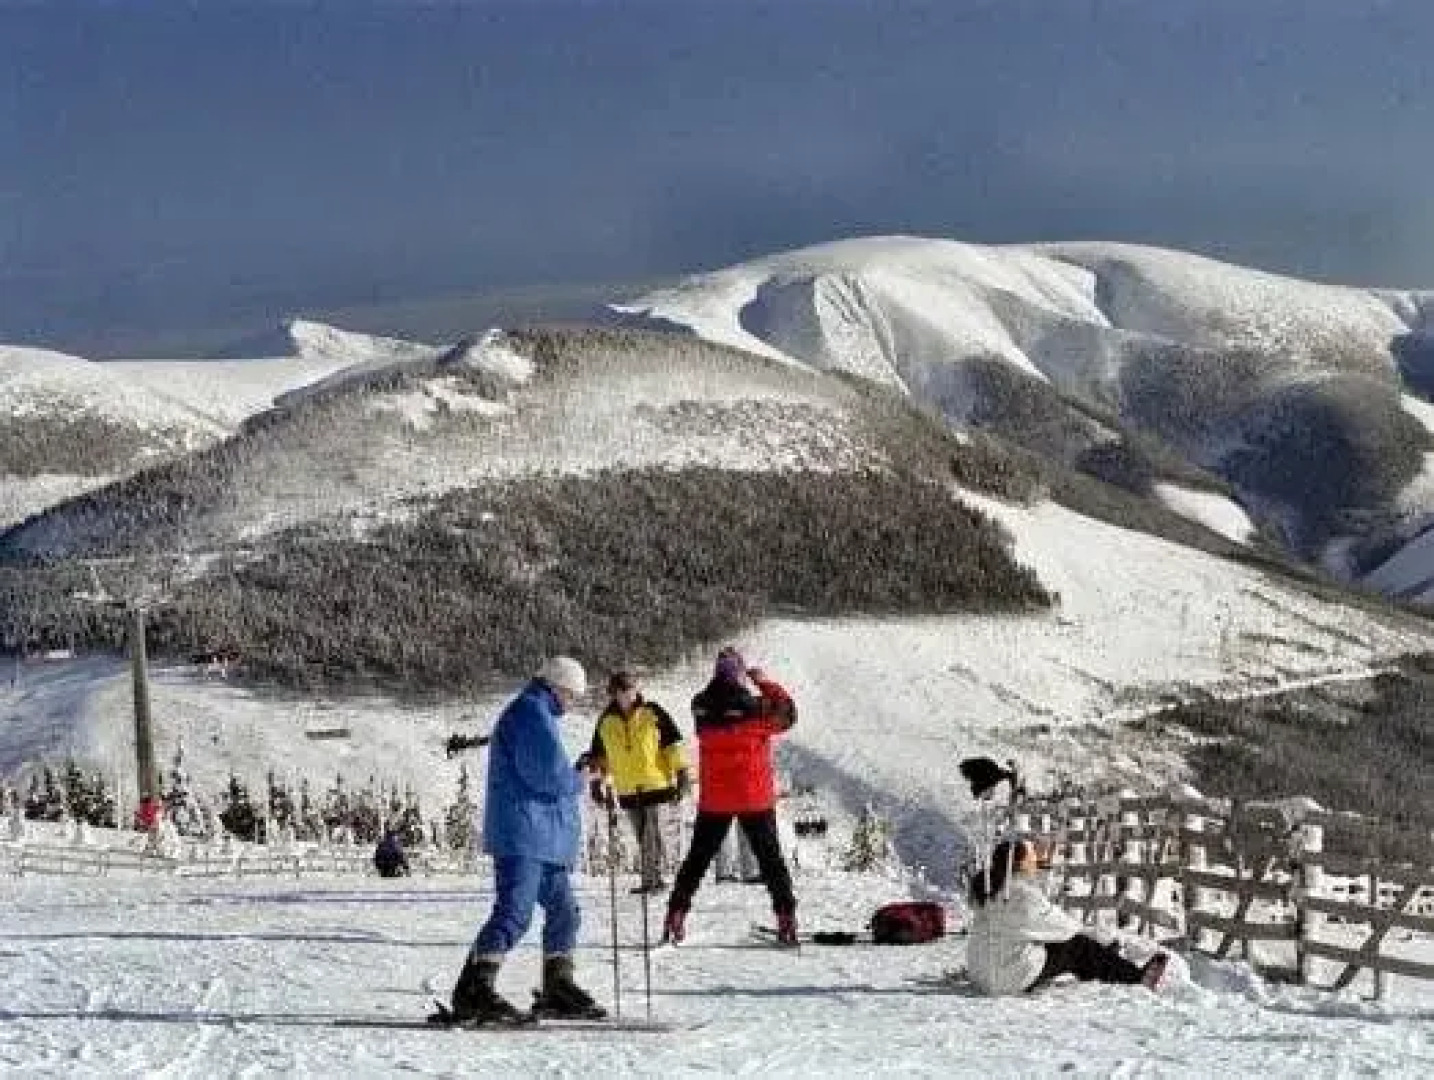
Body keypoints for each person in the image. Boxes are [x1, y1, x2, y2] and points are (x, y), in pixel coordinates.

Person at [445, 656, 605, 1023]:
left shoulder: (538, 713)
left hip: (543, 836)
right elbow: (548, 776)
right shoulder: (530, 713)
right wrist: (580, 777)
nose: (572, 702)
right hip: (524, 833)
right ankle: (474, 988)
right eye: (571, 694)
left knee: (565, 911)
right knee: (514, 913)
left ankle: (558, 986)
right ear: (557, 687)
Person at [663, 647, 799, 946]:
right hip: (753, 797)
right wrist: (764, 682)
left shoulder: (700, 705)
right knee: (771, 861)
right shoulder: (756, 707)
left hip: (716, 798)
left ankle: (676, 912)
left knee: (697, 860)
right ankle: (786, 917)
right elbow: (788, 713)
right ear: (740, 675)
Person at [965, 837, 1169, 996]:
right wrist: (1099, 937)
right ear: (1019, 864)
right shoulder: (1022, 896)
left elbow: (1024, 925)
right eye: (1031, 857)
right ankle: (1134, 977)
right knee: (1078, 945)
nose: (1037, 859)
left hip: (982, 972)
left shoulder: (988, 890)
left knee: (1053, 944)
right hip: (1007, 978)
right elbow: (1062, 927)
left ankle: (1103, 966)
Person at [587, 670, 691, 894]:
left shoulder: (653, 713)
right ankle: (652, 878)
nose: (627, 693)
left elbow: (672, 744)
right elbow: (598, 756)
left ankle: (653, 880)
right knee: (642, 834)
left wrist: (682, 772)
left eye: (630, 688)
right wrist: (596, 782)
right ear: (613, 693)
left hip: (656, 784)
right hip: (626, 787)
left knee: (652, 833)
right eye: (621, 689)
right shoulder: (605, 722)